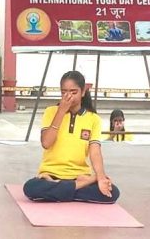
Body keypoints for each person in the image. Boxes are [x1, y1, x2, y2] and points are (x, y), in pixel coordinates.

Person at [23, 71, 120, 203]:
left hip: (79, 175)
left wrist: (101, 177)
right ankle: (76, 188)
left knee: (112, 193)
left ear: (83, 92)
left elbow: (95, 151)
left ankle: (61, 191)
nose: (68, 96)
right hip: (51, 176)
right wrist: (61, 111)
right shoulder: (51, 112)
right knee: (31, 188)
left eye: (74, 92)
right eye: (64, 92)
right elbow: (46, 143)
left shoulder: (93, 119)